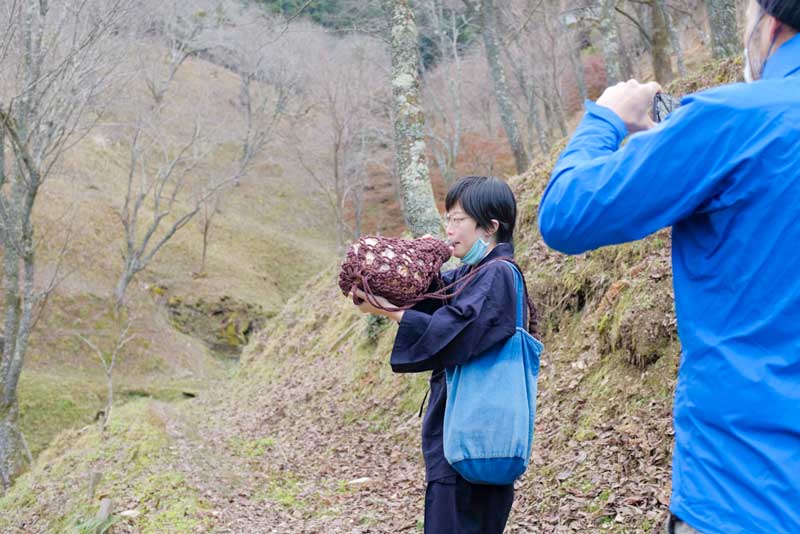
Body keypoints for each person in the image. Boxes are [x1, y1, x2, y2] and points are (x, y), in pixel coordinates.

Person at [537, 1, 800, 533]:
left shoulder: (734, 119)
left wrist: (607, 118)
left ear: (770, 26)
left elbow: (565, 212)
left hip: (745, 490)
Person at [350, 176, 533, 533]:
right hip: (464, 442)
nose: (448, 229)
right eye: (447, 219)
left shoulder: (497, 274)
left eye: (457, 219)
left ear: (490, 227)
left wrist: (388, 313)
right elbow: (436, 304)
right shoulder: (472, 273)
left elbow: (452, 331)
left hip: (472, 441)